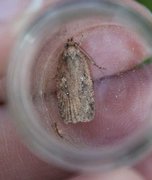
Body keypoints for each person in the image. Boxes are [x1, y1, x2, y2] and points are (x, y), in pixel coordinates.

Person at [0, 0, 151, 179]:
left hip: (68, 78)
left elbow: (61, 73)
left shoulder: (68, 55)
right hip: (73, 74)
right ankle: (79, 112)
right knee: (80, 83)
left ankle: (75, 113)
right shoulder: (77, 54)